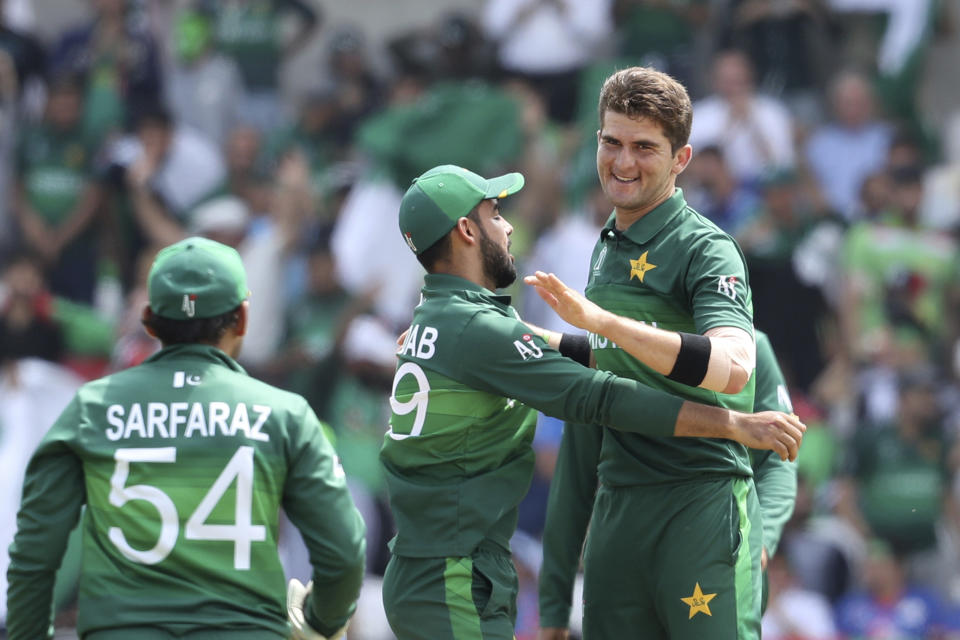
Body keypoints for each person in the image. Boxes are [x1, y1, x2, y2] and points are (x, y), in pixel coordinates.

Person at [381, 164, 805, 639]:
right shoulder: (476, 328)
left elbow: (581, 361)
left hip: (430, 567)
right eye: (495, 213)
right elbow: (600, 396)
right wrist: (730, 425)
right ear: (465, 230)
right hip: (454, 574)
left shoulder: (436, 321)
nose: (508, 226)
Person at [6, 237, 366, 639]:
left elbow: (34, 556)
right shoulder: (285, 415)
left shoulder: (91, 409)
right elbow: (344, 553)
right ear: (242, 319)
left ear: (149, 320)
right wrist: (322, 621)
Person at [524, 65, 763, 638]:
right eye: (612, 142)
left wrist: (604, 321)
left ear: (681, 159)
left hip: (698, 503)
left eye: (644, 148)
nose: (623, 163)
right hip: (617, 512)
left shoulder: (706, 249)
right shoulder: (607, 245)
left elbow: (733, 367)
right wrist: (482, 334)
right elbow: (606, 362)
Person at [537, 330, 798, 638]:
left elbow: (781, 459)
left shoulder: (749, 345)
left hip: (716, 548)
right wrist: (554, 605)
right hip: (626, 562)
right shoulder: (609, 344)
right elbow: (574, 478)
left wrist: (762, 539)